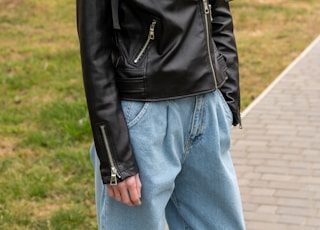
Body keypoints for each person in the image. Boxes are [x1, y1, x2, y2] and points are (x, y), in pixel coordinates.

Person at [76, 0, 246, 229]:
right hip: (143, 119)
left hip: (208, 106)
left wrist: (228, 96)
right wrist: (114, 156)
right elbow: (94, 49)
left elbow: (219, 11)